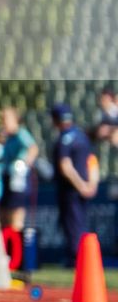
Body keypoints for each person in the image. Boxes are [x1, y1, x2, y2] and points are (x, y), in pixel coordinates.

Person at [51, 102, 96, 265]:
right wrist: (91, 184)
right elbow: (92, 161)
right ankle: (82, 259)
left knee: (73, 226)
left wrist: (81, 186)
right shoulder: (81, 135)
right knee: (81, 223)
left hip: (71, 190)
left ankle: (77, 261)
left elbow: (66, 166)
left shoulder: (64, 139)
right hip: (83, 187)